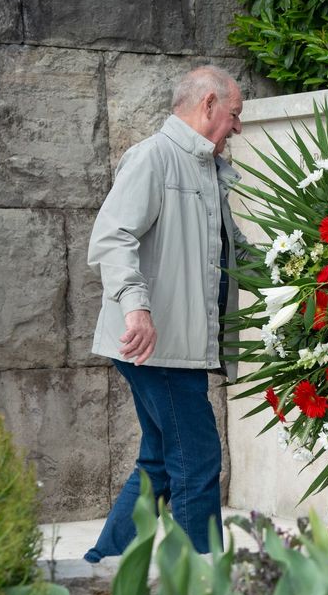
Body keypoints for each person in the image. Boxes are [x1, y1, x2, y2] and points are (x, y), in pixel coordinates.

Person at [84, 65, 245, 562]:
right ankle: (206, 582)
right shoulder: (154, 158)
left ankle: (103, 568)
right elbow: (112, 237)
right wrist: (137, 310)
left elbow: (227, 251)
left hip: (171, 346)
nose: (237, 127)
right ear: (210, 105)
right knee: (196, 461)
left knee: (157, 462)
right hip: (157, 347)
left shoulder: (206, 168)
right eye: (235, 115)